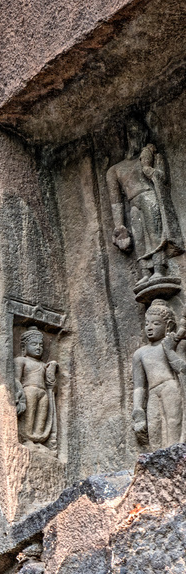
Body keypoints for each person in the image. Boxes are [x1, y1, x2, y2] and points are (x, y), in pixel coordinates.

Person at [106, 117, 184, 283]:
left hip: (149, 196)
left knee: (155, 234)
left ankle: (159, 269)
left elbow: (162, 178)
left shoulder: (154, 157)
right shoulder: (115, 170)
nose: (137, 137)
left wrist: (147, 168)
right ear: (127, 137)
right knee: (139, 237)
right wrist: (119, 226)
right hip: (133, 203)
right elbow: (116, 202)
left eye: (140, 132)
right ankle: (145, 273)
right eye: (133, 133)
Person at [132, 298, 186, 449]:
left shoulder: (175, 344)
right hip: (153, 392)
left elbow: (182, 369)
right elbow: (139, 387)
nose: (149, 327)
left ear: (168, 326)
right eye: (147, 323)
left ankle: (176, 455)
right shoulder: (140, 353)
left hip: (171, 387)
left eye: (156, 324)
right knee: (153, 426)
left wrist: (169, 350)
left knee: (173, 422)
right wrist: (138, 411)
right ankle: (156, 457)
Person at [14, 327, 57, 450]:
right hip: (29, 390)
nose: (38, 347)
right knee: (29, 416)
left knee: (41, 417)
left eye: (41, 345)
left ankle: (38, 440)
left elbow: (50, 383)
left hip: (43, 392)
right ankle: (27, 439)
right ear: (24, 346)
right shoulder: (21, 360)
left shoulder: (43, 365)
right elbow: (16, 379)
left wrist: (52, 369)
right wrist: (19, 393)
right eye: (34, 344)